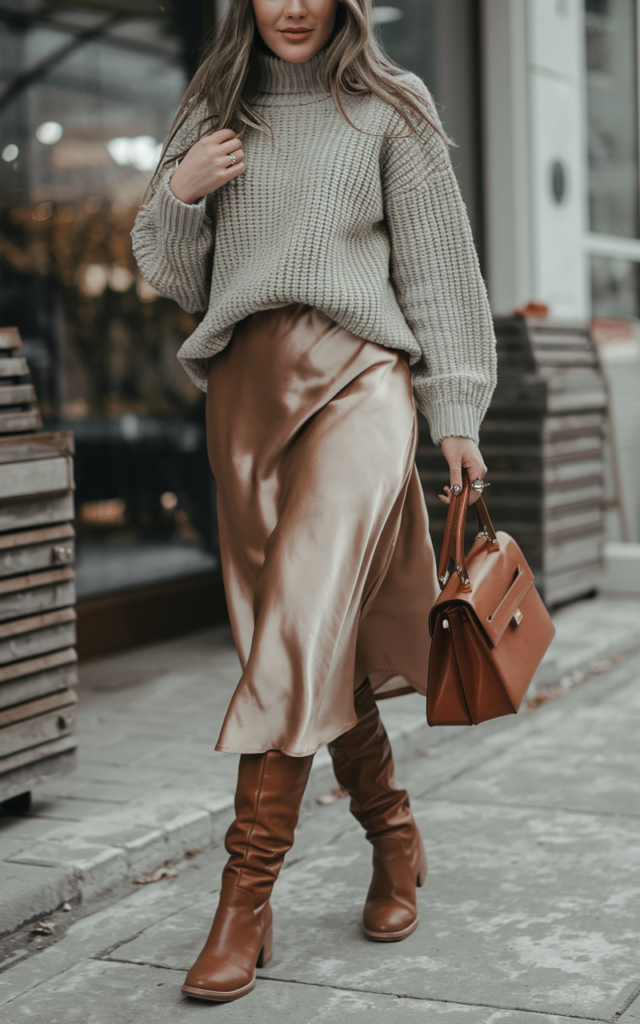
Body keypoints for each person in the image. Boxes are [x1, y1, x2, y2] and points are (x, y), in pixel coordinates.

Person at [132, 0, 496, 1004]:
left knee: (294, 633)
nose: (292, 4)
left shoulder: (390, 103)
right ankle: (394, 838)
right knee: (307, 645)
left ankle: (243, 902)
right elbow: (169, 272)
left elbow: (438, 267)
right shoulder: (215, 101)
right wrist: (181, 190)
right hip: (246, 397)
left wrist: (454, 407)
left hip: (360, 384)